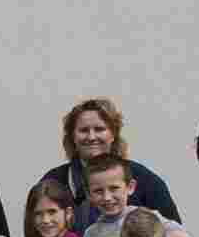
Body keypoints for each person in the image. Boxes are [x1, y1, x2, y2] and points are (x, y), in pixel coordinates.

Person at [39, 96, 180, 228]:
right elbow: (35, 232)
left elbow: (173, 230)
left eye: (99, 129)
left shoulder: (143, 178)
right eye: (83, 130)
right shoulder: (54, 181)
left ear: (113, 134)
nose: (92, 137)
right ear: (72, 137)